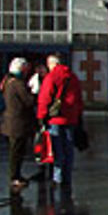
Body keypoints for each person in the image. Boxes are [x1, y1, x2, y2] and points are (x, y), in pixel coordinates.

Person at [36, 54, 84, 189]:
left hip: (55, 118)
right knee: (69, 148)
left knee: (56, 148)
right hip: (71, 117)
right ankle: (67, 176)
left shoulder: (51, 77)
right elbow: (79, 98)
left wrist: (41, 116)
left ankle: (57, 177)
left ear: (52, 64)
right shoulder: (73, 77)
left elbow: (45, 98)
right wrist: (78, 115)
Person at [1, 57, 37, 193]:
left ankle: (15, 175)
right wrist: (34, 93)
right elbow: (28, 101)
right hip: (18, 123)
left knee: (15, 151)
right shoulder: (17, 84)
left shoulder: (8, 82)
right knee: (16, 152)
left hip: (11, 121)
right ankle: (14, 177)